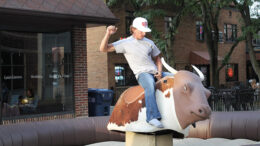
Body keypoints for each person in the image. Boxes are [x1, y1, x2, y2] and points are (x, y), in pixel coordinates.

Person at [99, 17, 173, 128]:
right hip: (143, 74)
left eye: (145, 31)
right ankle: (152, 117)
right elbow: (103, 49)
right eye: (141, 31)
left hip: (156, 71)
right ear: (133, 29)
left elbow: (158, 59)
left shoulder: (149, 42)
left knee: (176, 79)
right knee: (150, 86)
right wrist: (108, 34)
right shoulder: (125, 42)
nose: (144, 33)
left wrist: (159, 71)